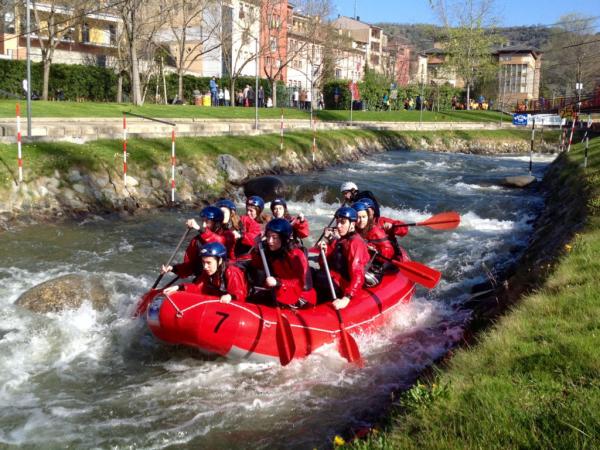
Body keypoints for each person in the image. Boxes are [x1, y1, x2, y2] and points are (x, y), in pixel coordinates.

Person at [251, 218, 316, 308]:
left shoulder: (296, 255)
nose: (270, 241)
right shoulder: (272, 249)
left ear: (283, 238)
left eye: (274, 237)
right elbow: (258, 265)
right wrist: (256, 249)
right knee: (252, 299)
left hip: (301, 296)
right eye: (268, 236)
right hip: (279, 290)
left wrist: (278, 283)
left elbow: (298, 283)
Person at [318, 207, 370, 310]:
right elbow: (324, 265)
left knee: (317, 280)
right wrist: (324, 251)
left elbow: (358, 274)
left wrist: (346, 298)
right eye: (337, 222)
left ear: (352, 224)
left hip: (341, 287)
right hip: (331, 279)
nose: (338, 226)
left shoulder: (356, 243)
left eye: (343, 222)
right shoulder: (340, 240)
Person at [163, 242, 248, 304]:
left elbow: (239, 294)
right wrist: (179, 287)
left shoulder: (232, 272)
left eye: (208, 263)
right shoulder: (208, 271)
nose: (205, 267)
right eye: (203, 262)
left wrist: (230, 296)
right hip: (218, 301)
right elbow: (198, 288)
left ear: (220, 261)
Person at [161, 206, 227, 279]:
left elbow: (219, 242)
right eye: (203, 221)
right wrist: (173, 269)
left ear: (217, 224)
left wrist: (199, 229)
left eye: (207, 222)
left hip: (222, 277)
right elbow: (189, 266)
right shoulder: (197, 241)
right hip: (204, 279)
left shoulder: (227, 235)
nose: (204, 225)